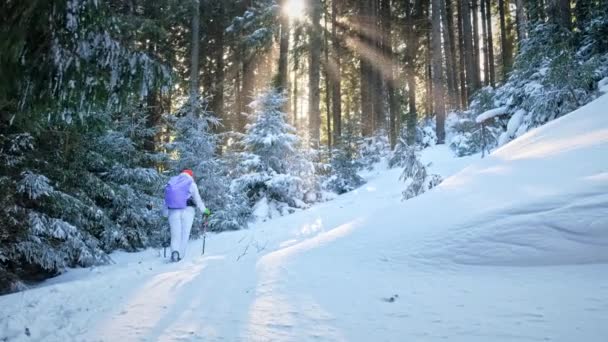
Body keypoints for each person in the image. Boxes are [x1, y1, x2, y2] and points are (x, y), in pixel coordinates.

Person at [163, 169, 210, 262]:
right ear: (191, 175)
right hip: (188, 210)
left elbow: (166, 200)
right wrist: (205, 210)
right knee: (185, 234)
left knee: (175, 234)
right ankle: (180, 256)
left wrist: (165, 214)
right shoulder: (191, 184)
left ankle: (174, 252)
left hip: (173, 211)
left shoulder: (172, 183)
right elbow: (198, 200)